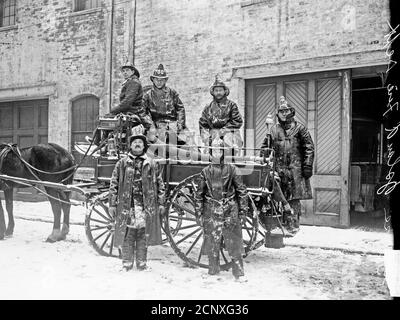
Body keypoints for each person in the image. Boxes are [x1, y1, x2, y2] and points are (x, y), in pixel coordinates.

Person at [108, 125, 166, 271]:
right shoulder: (122, 163)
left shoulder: (151, 163)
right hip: (128, 205)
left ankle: (142, 263)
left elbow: (160, 184)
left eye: (140, 142)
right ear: (131, 146)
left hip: (146, 205)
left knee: (142, 235)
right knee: (128, 234)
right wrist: (112, 204)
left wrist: (161, 202)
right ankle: (127, 263)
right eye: (134, 142)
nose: (137, 144)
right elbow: (114, 184)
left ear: (144, 146)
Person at [194, 138, 248, 282]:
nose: (217, 154)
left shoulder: (232, 169)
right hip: (211, 210)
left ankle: (239, 273)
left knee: (234, 243)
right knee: (212, 241)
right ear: (211, 153)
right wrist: (198, 213)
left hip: (230, 209)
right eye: (214, 151)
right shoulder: (205, 172)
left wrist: (243, 211)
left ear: (224, 153)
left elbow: (241, 191)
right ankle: (213, 270)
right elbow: (199, 194)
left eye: (220, 151)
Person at [260, 96, 314, 235]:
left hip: (295, 169)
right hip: (279, 169)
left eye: (286, 111)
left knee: (293, 198)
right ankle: (279, 224)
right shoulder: (273, 130)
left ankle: (293, 225)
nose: (284, 114)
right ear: (278, 114)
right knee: (279, 197)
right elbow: (265, 148)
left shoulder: (300, 128)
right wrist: (264, 159)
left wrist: (307, 165)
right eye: (281, 111)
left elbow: (309, 147)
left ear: (291, 112)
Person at [86, 62, 153, 146]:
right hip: (130, 111)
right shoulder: (130, 82)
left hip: (133, 112)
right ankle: (101, 141)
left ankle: (99, 142)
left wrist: (114, 110)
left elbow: (127, 101)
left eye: (127, 70)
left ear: (133, 72)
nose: (125, 72)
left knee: (106, 118)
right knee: (106, 119)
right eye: (123, 71)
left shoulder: (134, 83)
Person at [199, 75, 243, 155]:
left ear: (224, 91)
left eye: (220, 90)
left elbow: (237, 121)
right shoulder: (208, 107)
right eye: (216, 90)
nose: (218, 92)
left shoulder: (231, 105)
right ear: (213, 92)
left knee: (228, 148)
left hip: (229, 134)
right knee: (208, 153)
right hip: (213, 137)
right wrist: (207, 140)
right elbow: (203, 125)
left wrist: (222, 132)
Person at [142, 64, 186, 145]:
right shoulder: (148, 95)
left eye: (161, 80)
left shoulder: (172, 93)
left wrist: (180, 124)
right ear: (153, 80)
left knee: (187, 145)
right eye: (157, 79)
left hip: (173, 125)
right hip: (157, 126)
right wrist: (150, 126)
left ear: (165, 80)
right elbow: (142, 113)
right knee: (158, 148)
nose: (159, 82)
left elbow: (180, 109)